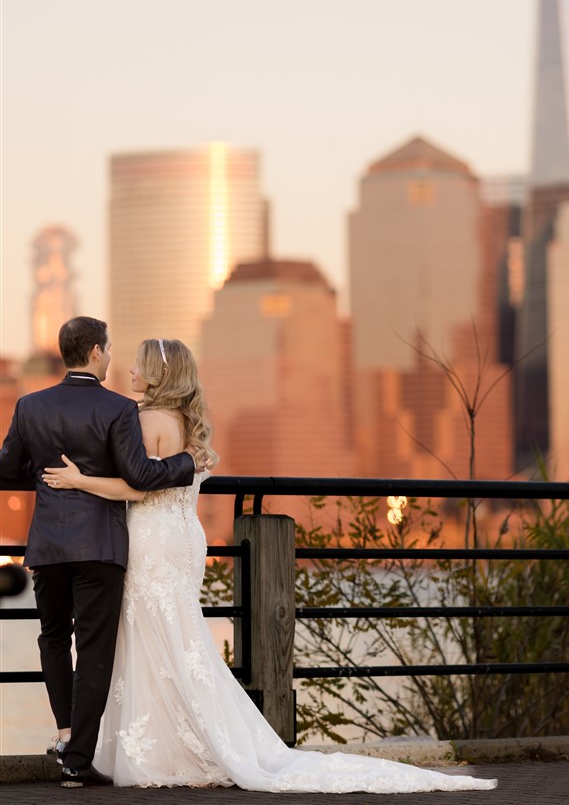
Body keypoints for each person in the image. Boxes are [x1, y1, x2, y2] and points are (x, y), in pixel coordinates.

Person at [43, 337, 497, 794]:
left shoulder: (144, 420)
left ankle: (159, 747)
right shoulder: (188, 423)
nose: (131, 373)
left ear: (159, 375)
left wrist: (79, 479)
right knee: (178, 637)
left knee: (147, 635)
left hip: (151, 540)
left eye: (139, 367)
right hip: (185, 540)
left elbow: (138, 487)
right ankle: (193, 737)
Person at [0, 318, 196, 790]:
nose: (112, 357)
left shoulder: (30, 406)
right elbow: (140, 477)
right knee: (93, 650)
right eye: (108, 348)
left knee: (51, 636)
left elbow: (7, 467)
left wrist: (40, 468)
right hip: (100, 548)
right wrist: (187, 463)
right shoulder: (118, 409)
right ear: (93, 352)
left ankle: (65, 732)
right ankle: (77, 761)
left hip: (48, 544)